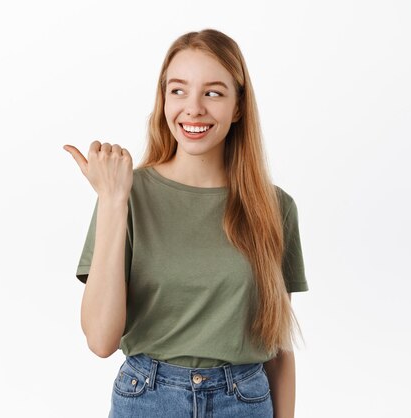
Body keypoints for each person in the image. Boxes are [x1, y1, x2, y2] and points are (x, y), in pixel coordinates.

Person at [63, 28, 309, 418]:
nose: (193, 108)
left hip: (243, 402)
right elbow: (100, 339)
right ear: (163, 99)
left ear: (238, 106)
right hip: (147, 398)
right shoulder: (125, 194)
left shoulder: (275, 207)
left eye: (212, 92)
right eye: (178, 91)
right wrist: (112, 201)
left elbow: (278, 349)